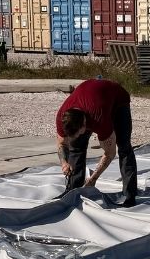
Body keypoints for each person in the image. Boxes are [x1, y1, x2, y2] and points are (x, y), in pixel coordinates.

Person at [55, 78, 138, 206]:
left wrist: (92, 179)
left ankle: (129, 195)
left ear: (84, 124)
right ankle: (72, 190)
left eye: (79, 132)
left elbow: (110, 154)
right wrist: (64, 162)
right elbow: (61, 144)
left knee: (124, 147)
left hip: (118, 100)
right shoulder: (62, 117)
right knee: (76, 147)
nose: (76, 135)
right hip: (90, 97)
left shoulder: (99, 119)